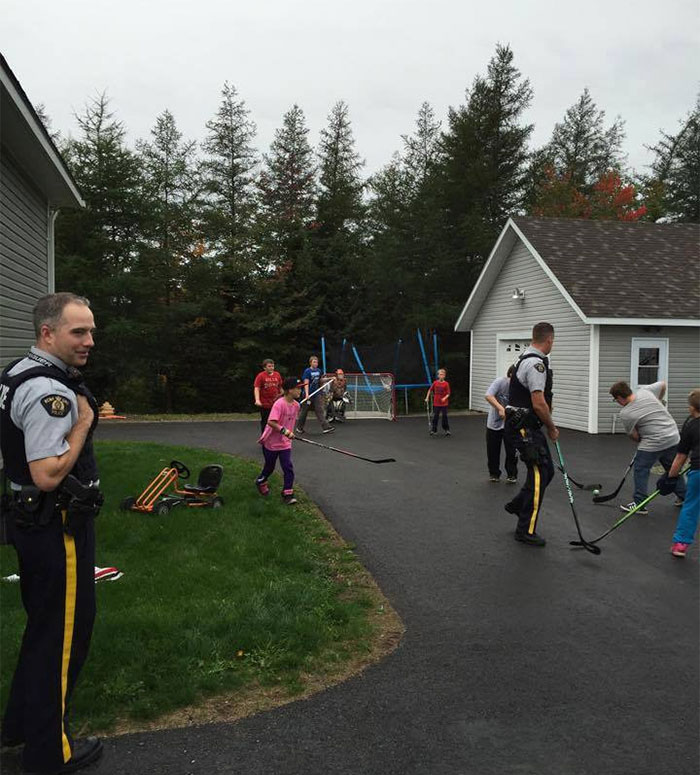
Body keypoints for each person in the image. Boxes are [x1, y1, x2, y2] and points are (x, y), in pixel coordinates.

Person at [0, 293, 104, 773]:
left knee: (44, 630)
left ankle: (20, 727)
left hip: (32, 521)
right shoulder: (49, 391)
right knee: (64, 638)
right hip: (54, 524)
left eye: (90, 330)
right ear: (48, 333)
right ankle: (48, 753)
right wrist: (83, 422)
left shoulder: (18, 370)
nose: (89, 340)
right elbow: (47, 473)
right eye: (77, 332)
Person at [503, 322, 558, 547]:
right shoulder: (535, 364)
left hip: (526, 425)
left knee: (547, 472)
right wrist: (552, 427)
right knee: (539, 474)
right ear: (549, 340)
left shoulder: (523, 357)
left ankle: (518, 504)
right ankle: (525, 529)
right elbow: (539, 402)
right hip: (524, 425)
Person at [610, 380, 686, 514]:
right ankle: (685, 497)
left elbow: (634, 436)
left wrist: (641, 436)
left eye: (616, 400)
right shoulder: (646, 391)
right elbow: (663, 384)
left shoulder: (626, 413)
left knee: (641, 469)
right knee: (672, 468)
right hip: (673, 435)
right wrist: (659, 400)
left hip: (653, 442)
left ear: (620, 398)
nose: (617, 402)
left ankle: (640, 504)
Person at [663, 389, 700, 558]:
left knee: (691, 506)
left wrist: (670, 477)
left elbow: (680, 457)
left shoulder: (691, 425)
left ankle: (680, 545)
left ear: (693, 408)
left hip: (698, 471)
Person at [256, 377, 303, 505]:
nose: (300, 390)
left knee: (288, 467)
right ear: (289, 390)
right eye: (297, 388)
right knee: (269, 468)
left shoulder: (296, 405)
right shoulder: (279, 404)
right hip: (271, 442)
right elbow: (271, 422)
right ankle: (260, 480)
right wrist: (284, 431)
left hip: (285, 443)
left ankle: (287, 493)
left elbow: (291, 422)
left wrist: (289, 434)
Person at [484, 366, 518, 483]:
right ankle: (494, 473)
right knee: (493, 449)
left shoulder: (520, 387)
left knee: (511, 450)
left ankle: (512, 474)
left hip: (511, 423)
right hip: (494, 422)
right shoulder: (500, 382)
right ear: (510, 375)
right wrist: (500, 408)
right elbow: (488, 396)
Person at [295, 355, 334, 435]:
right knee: (304, 411)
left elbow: (321, 380)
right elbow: (306, 382)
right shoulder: (307, 371)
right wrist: (306, 394)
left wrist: (330, 379)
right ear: (310, 363)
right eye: (314, 362)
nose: (316, 363)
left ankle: (326, 427)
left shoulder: (319, 370)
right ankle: (299, 428)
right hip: (308, 394)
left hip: (316, 393)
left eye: (317, 362)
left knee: (319, 409)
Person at [253, 358, 283, 433]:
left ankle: (274, 439)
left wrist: (283, 395)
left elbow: (280, 387)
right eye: (269, 366)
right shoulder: (261, 376)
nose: (271, 368)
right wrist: (257, 400)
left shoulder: (277, 375)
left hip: (275, 403)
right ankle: (264, 440)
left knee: (276, 422)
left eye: (272, 366)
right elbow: (257, 388)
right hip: (265, 404)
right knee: (266, 422)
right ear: (264, 367)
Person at [425, 368, 451, 436]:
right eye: (440, 374)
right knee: (435, 417)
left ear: (444, 376)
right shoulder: (435, 383)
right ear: (438, 375)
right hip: (436, 403)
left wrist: (444, 398)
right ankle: (434, 430)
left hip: (444, 403)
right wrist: (427, 397)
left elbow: (448, 393)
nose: (441, 376)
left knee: (444, 416)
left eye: (442, 374)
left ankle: (447, 430)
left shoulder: (446, 384)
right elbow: (430, 390)